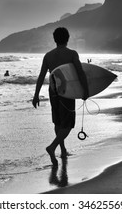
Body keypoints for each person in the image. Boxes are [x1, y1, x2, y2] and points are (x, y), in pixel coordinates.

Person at [32, 27, 89, 166]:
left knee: (58, 122)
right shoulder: (72, 54)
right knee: (68, 124)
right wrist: (85, 90)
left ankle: (63, 150)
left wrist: (36, 95)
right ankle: (52, 147)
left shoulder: (48, 56)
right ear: (68, 38)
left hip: (53, 91)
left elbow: (41, 76)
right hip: (67, 92)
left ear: (54, 39)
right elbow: (80, 72)